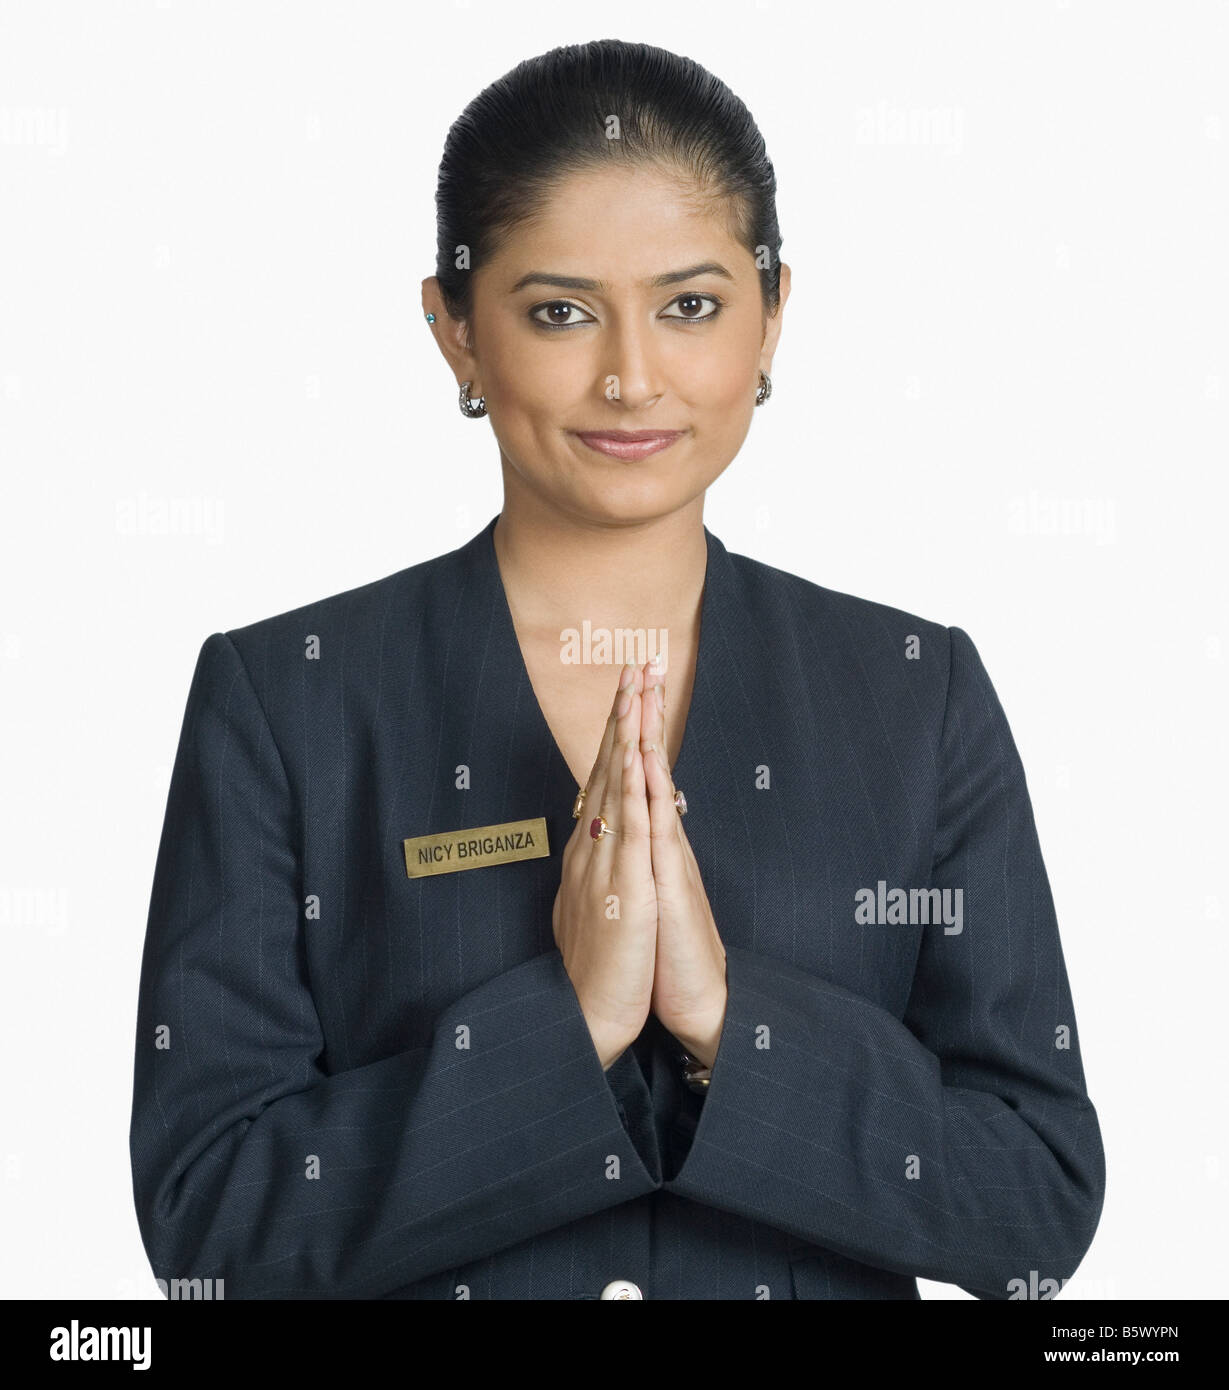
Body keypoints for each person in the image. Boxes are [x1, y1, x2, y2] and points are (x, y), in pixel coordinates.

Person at [129, 38, 1105, 1300]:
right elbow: (211, 1227)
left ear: (771, 316)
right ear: (455, 332)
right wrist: (566, 1032)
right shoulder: (288, 701)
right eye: (558, 311)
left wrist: (722, 1020)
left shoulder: (917, 695)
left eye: (689, 305)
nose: (630, 374)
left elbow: (1031, 1202)